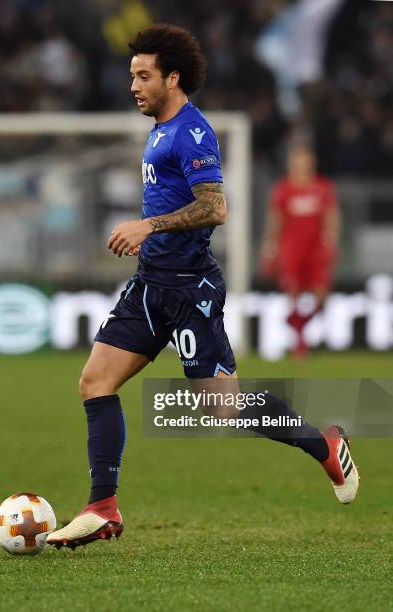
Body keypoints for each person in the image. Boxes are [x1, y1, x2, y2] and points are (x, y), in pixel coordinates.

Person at [47, 25, 358, 550]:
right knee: (94, 382)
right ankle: (103, 506)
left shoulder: (192, 132)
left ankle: (324, 445)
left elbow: (215, 207)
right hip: (150, 285)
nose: (134, 86)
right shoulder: (159, 128)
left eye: (143, 76)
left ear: (173, 77)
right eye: (131, 76)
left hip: (191, 290)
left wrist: (149, 226)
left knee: (224, 408)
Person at [260, 144, 341, 358]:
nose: (300, 166)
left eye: (304, 161)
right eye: (297, 161)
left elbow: (332, 216)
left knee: (321, 295)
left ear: (311, 163)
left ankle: (299, 322)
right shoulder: (283, 189)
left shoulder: (322, 187)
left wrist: (331, 241)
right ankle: (300, 344)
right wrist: (270, 248)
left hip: (315, 249)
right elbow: (275, 220)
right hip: (292, 248)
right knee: (293, 294)